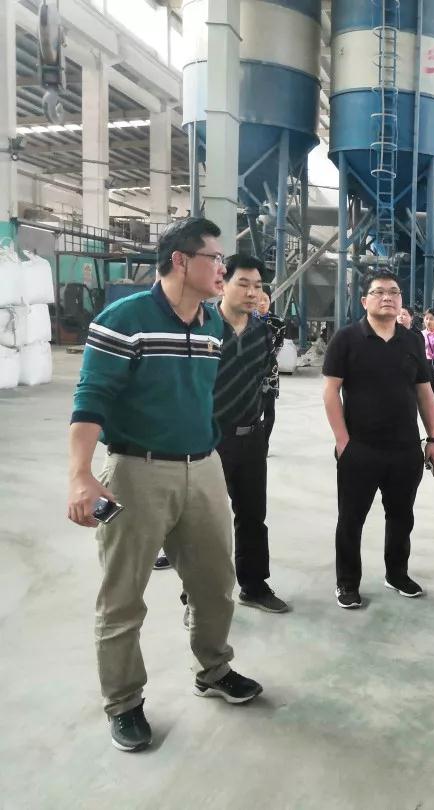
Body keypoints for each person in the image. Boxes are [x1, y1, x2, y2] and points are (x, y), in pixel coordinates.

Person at [67, 217, 263, 754]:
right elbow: (90, 399)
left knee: (215, 584)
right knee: (123, 596)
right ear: (181, 260)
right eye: (215, 259)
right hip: (137, 471)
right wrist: (81, 474)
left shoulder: (210, 322)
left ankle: (213, 670)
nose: (222, 268)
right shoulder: (123, 320)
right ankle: (124, 702)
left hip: (204, 467)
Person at [322, 270, 434, 609]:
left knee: (402, 516)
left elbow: (424, 392)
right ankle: (347, 582)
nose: (387, 297)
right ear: (364, 301)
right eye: (378, 292)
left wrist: (433, 438)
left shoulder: (412, 341)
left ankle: (397, 574)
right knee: (351, 519)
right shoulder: (346, 339)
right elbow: (330, 392)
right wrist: (343, 441)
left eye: (394, 292)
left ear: (401, 301)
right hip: (360, 448)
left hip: (405, 449)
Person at [212, 256, 289, 613]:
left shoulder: (264, 332)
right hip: (209, 438)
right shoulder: (203, 327)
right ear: (222, 285)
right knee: (206, 521)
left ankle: (254, 586)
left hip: (251, 436)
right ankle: (198, 596)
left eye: (257, 286)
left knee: (253, 514)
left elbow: (263, 379)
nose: (252, 292)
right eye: (243, 284)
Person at [254, 289, 286, 450]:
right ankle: (252, 442)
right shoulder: (247, 319)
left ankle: (264, 443)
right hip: (250, 371)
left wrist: (268, 359)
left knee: (269, 409)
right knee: (253, 410)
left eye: (265, 300)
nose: (261, 303)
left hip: (270, 371)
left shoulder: (278, 322)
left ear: (270, 301)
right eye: (258, 299)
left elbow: (279, 345)